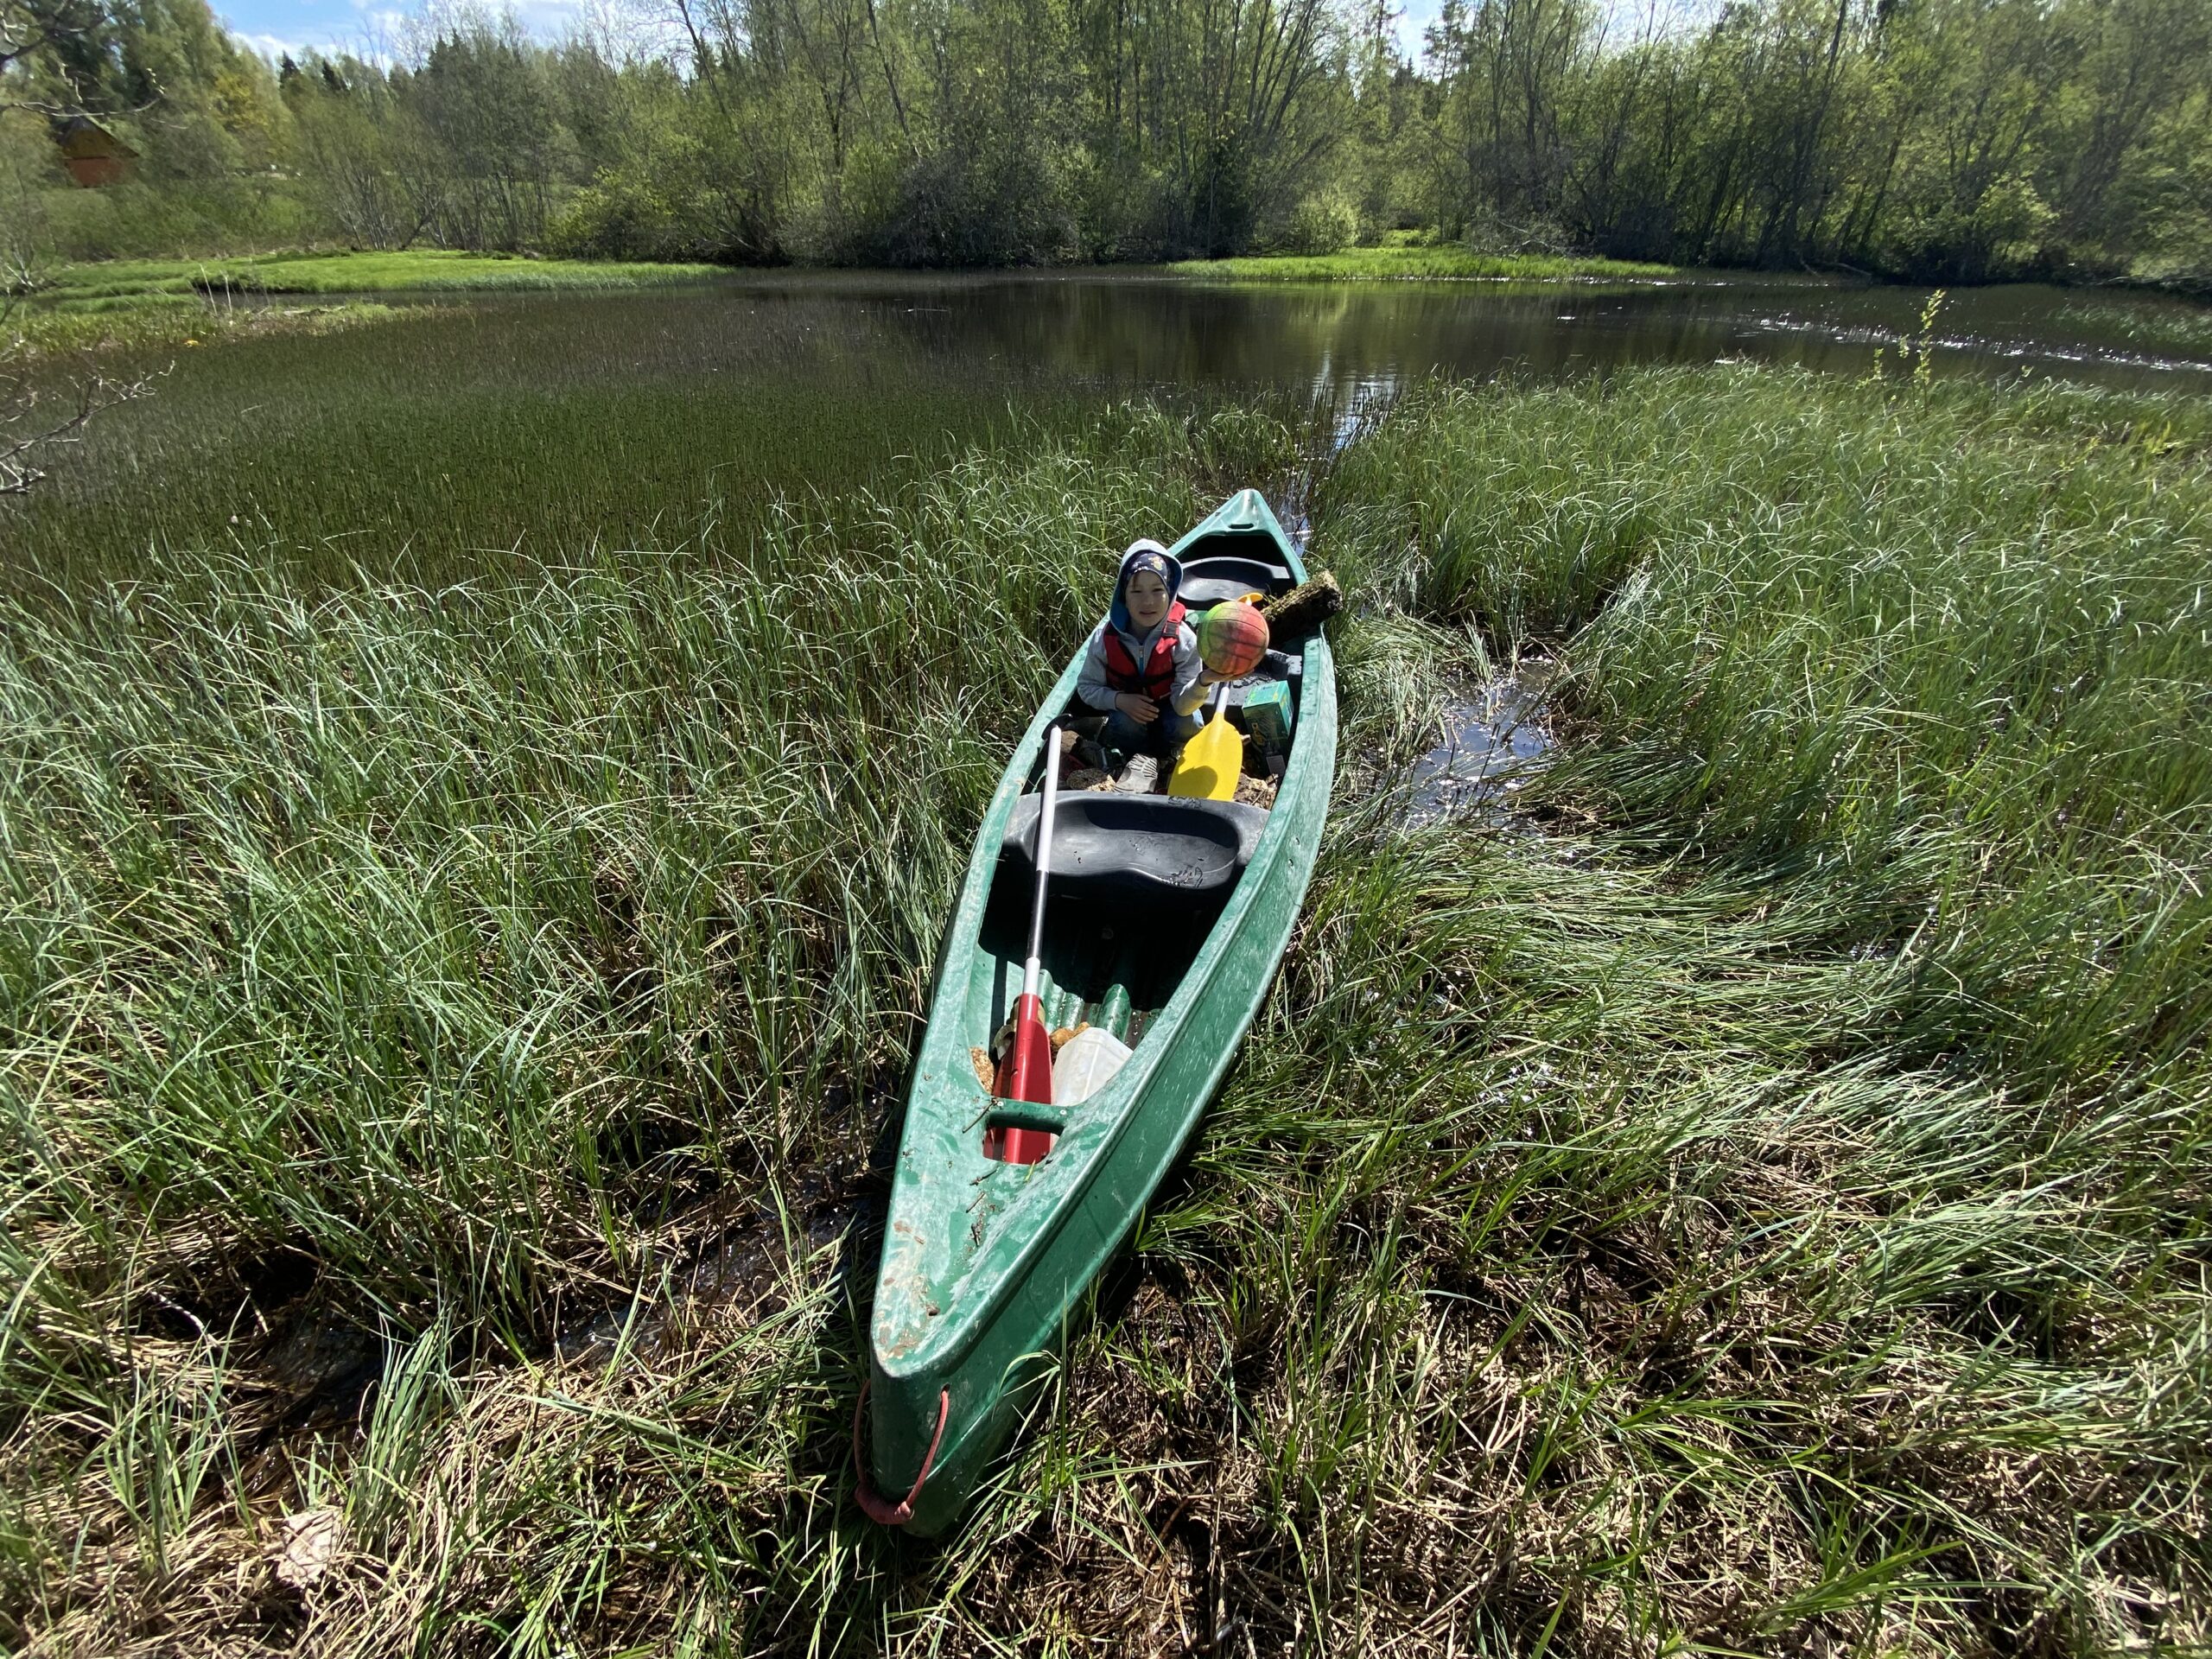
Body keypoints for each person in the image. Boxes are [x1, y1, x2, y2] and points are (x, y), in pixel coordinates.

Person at [1076, 538, 1224, 762]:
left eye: (1157, 590)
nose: (1148, 601)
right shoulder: (1104, 639)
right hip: (1127, 714)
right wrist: (1120, 700)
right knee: (1125, 723)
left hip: (1173, 708)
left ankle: (1171, 758)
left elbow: (1184, 707)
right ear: (1123, 597)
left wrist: (1204, 680)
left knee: (1188, 721)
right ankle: (1133, 758)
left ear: (1170, 593)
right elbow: (1087, 688)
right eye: (1136, 592)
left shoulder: (1184, 640)